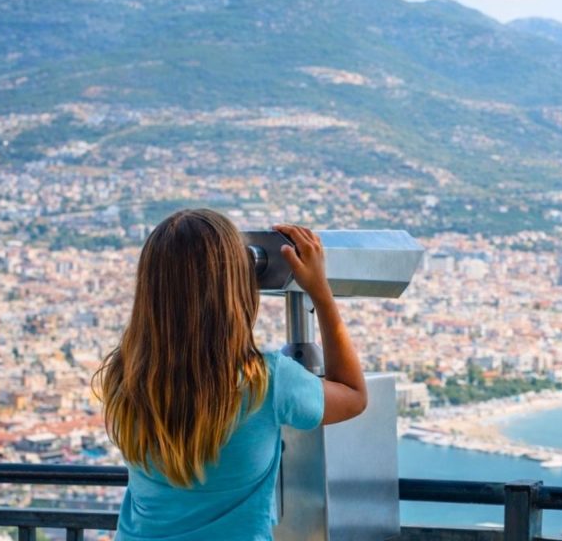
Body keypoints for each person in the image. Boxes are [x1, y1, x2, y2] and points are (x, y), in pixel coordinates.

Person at [93, 209, 368, 540]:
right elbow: (353, 395)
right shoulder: (265, 381)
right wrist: (320, 293)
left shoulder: (125, 374)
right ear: (236, 287)